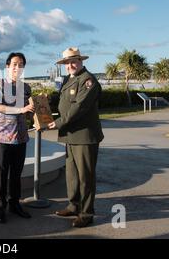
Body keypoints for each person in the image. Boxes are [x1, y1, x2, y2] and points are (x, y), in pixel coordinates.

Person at [48, 47, 104, 228]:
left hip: (84, 136)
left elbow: (78, 108)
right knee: (71, 175)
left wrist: (56, 123)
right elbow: (62, 102)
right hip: (70, 135)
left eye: (73, 61)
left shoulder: (88, 81)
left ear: (81, 61)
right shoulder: (70, 79)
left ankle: (86, 214)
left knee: (85, 177)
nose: (70, 65)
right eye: (66, 63)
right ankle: (73, 206)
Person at [0, 52, 35, 224]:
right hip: (2, 138)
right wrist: (21, 110)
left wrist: (37, 108)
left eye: (21, 64)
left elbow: (30, 108)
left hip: (21, 137)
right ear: (7, 66)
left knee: (16, 174)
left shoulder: (26, 87)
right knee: (1, 175)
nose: (18, 67)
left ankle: (15, 204)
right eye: (15, 64)